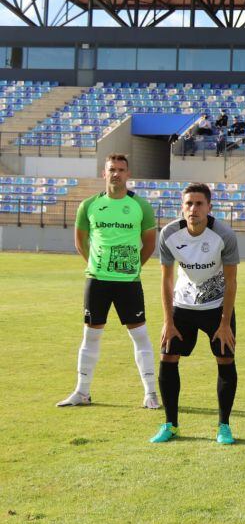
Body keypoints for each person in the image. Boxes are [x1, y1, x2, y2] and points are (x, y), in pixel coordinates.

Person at [58, 154, 160, 409]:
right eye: (111, 170)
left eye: (121, 170)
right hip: (97, 282)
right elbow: (80, 241)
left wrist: (133, 267)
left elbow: (149, 244)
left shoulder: (141, 206)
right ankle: (82, 392)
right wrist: (95, 265)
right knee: (90, 336)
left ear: (128, 174)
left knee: (140, 336)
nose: (116, 174)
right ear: (104, 174)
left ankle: (150, 394)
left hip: (128, 282)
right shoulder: (89, 205)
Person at [150, 183, 240, 445]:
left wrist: (225, 324)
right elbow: (166, 281)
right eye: (188, 204)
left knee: (225, 361)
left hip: (216, 308)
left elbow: (232, 283)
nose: (193, 209)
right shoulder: (169, 234)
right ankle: (171, 425)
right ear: (182, 207)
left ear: (209, 208)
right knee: (168, 357)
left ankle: (224, 426)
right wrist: (168, 321)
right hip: (183, 307)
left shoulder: (224, 235)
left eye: (199, 204)